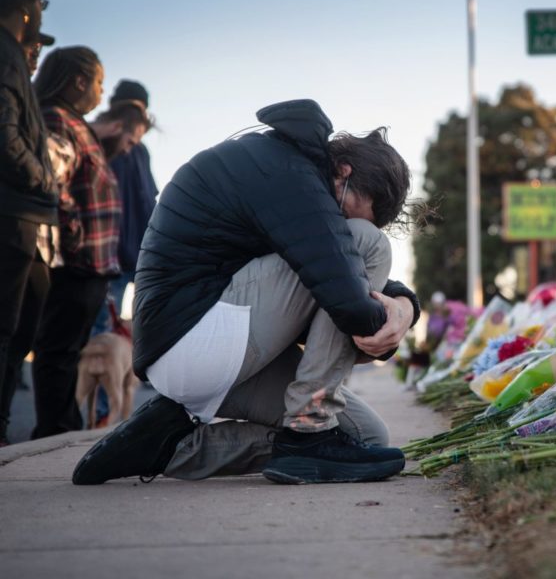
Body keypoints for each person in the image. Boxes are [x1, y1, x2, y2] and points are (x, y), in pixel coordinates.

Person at [72, 99, 421, 486]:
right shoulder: (286, 170)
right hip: (195, 333)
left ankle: (166, 447)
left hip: (209, 352)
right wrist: (379, 330)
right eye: (347, 214)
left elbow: (336, 271)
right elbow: (346, 290)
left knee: (365, 439)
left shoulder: (299, 184)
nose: (341, 226)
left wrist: (405, 307)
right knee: (369, 244)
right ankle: (309, 428)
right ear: (343, 171)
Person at [30, 46, 150, 438]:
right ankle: (71, 426)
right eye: (97, 81)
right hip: (85, 262)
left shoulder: (84, 129)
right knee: (68, 350)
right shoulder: (65, 123)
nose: (99, 91)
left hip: (103, 264)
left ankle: (73, 426)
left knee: (74, 347)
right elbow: (56, 185)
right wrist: (77, 240)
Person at [0, 0, 52, 446]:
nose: (42, 10)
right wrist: (40, 176)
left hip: (24, 212)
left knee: (19, 327)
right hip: (15, 211)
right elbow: (5, 131)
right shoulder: (5, 55)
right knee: (6, 327)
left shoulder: (12, 57)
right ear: (25, 4)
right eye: (41, 1)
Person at [93, 79, 157, 334]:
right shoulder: (102, 141)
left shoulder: (141, 151)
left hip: (141, 255)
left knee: (144, 324)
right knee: (103, 326)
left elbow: (148, 199)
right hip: (111, 256)